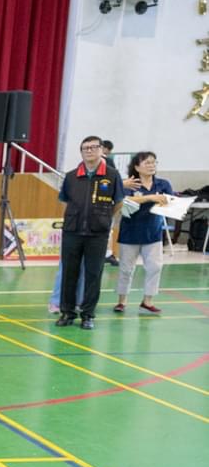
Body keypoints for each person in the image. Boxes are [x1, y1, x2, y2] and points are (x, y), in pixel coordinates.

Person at [55, 136, 125, 330]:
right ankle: (67, 312)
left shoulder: (112, 175)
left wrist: (104, 218)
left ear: (102, 150)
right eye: (85, 148)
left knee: (94, 274)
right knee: (69, 273)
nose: (89, 151)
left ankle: (88, 315)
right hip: (72, 232)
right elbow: (65, 200)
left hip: (98, 234)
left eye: (93, 147)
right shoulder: (71, 176)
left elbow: (118, 202)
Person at [114, 151, 172, 315]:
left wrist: (167, 202)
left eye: (154, 162)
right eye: (147, 163)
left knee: (155, 267)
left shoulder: (163, 184)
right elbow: (123, 201)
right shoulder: (130, 184)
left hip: (153, 233)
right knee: (126, 269)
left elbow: (171, 201)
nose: (151, 165)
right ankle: (122, 301)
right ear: (137, 167)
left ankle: (147, 302)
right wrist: (150, 198)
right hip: (130, 233)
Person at [100, 140, 121, 266]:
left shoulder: (108, 162)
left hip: (107, 200)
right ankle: (105, 254)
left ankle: (107, 254)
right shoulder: (106, 161)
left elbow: (113, 180)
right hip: (100, 201)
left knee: (108, 230)